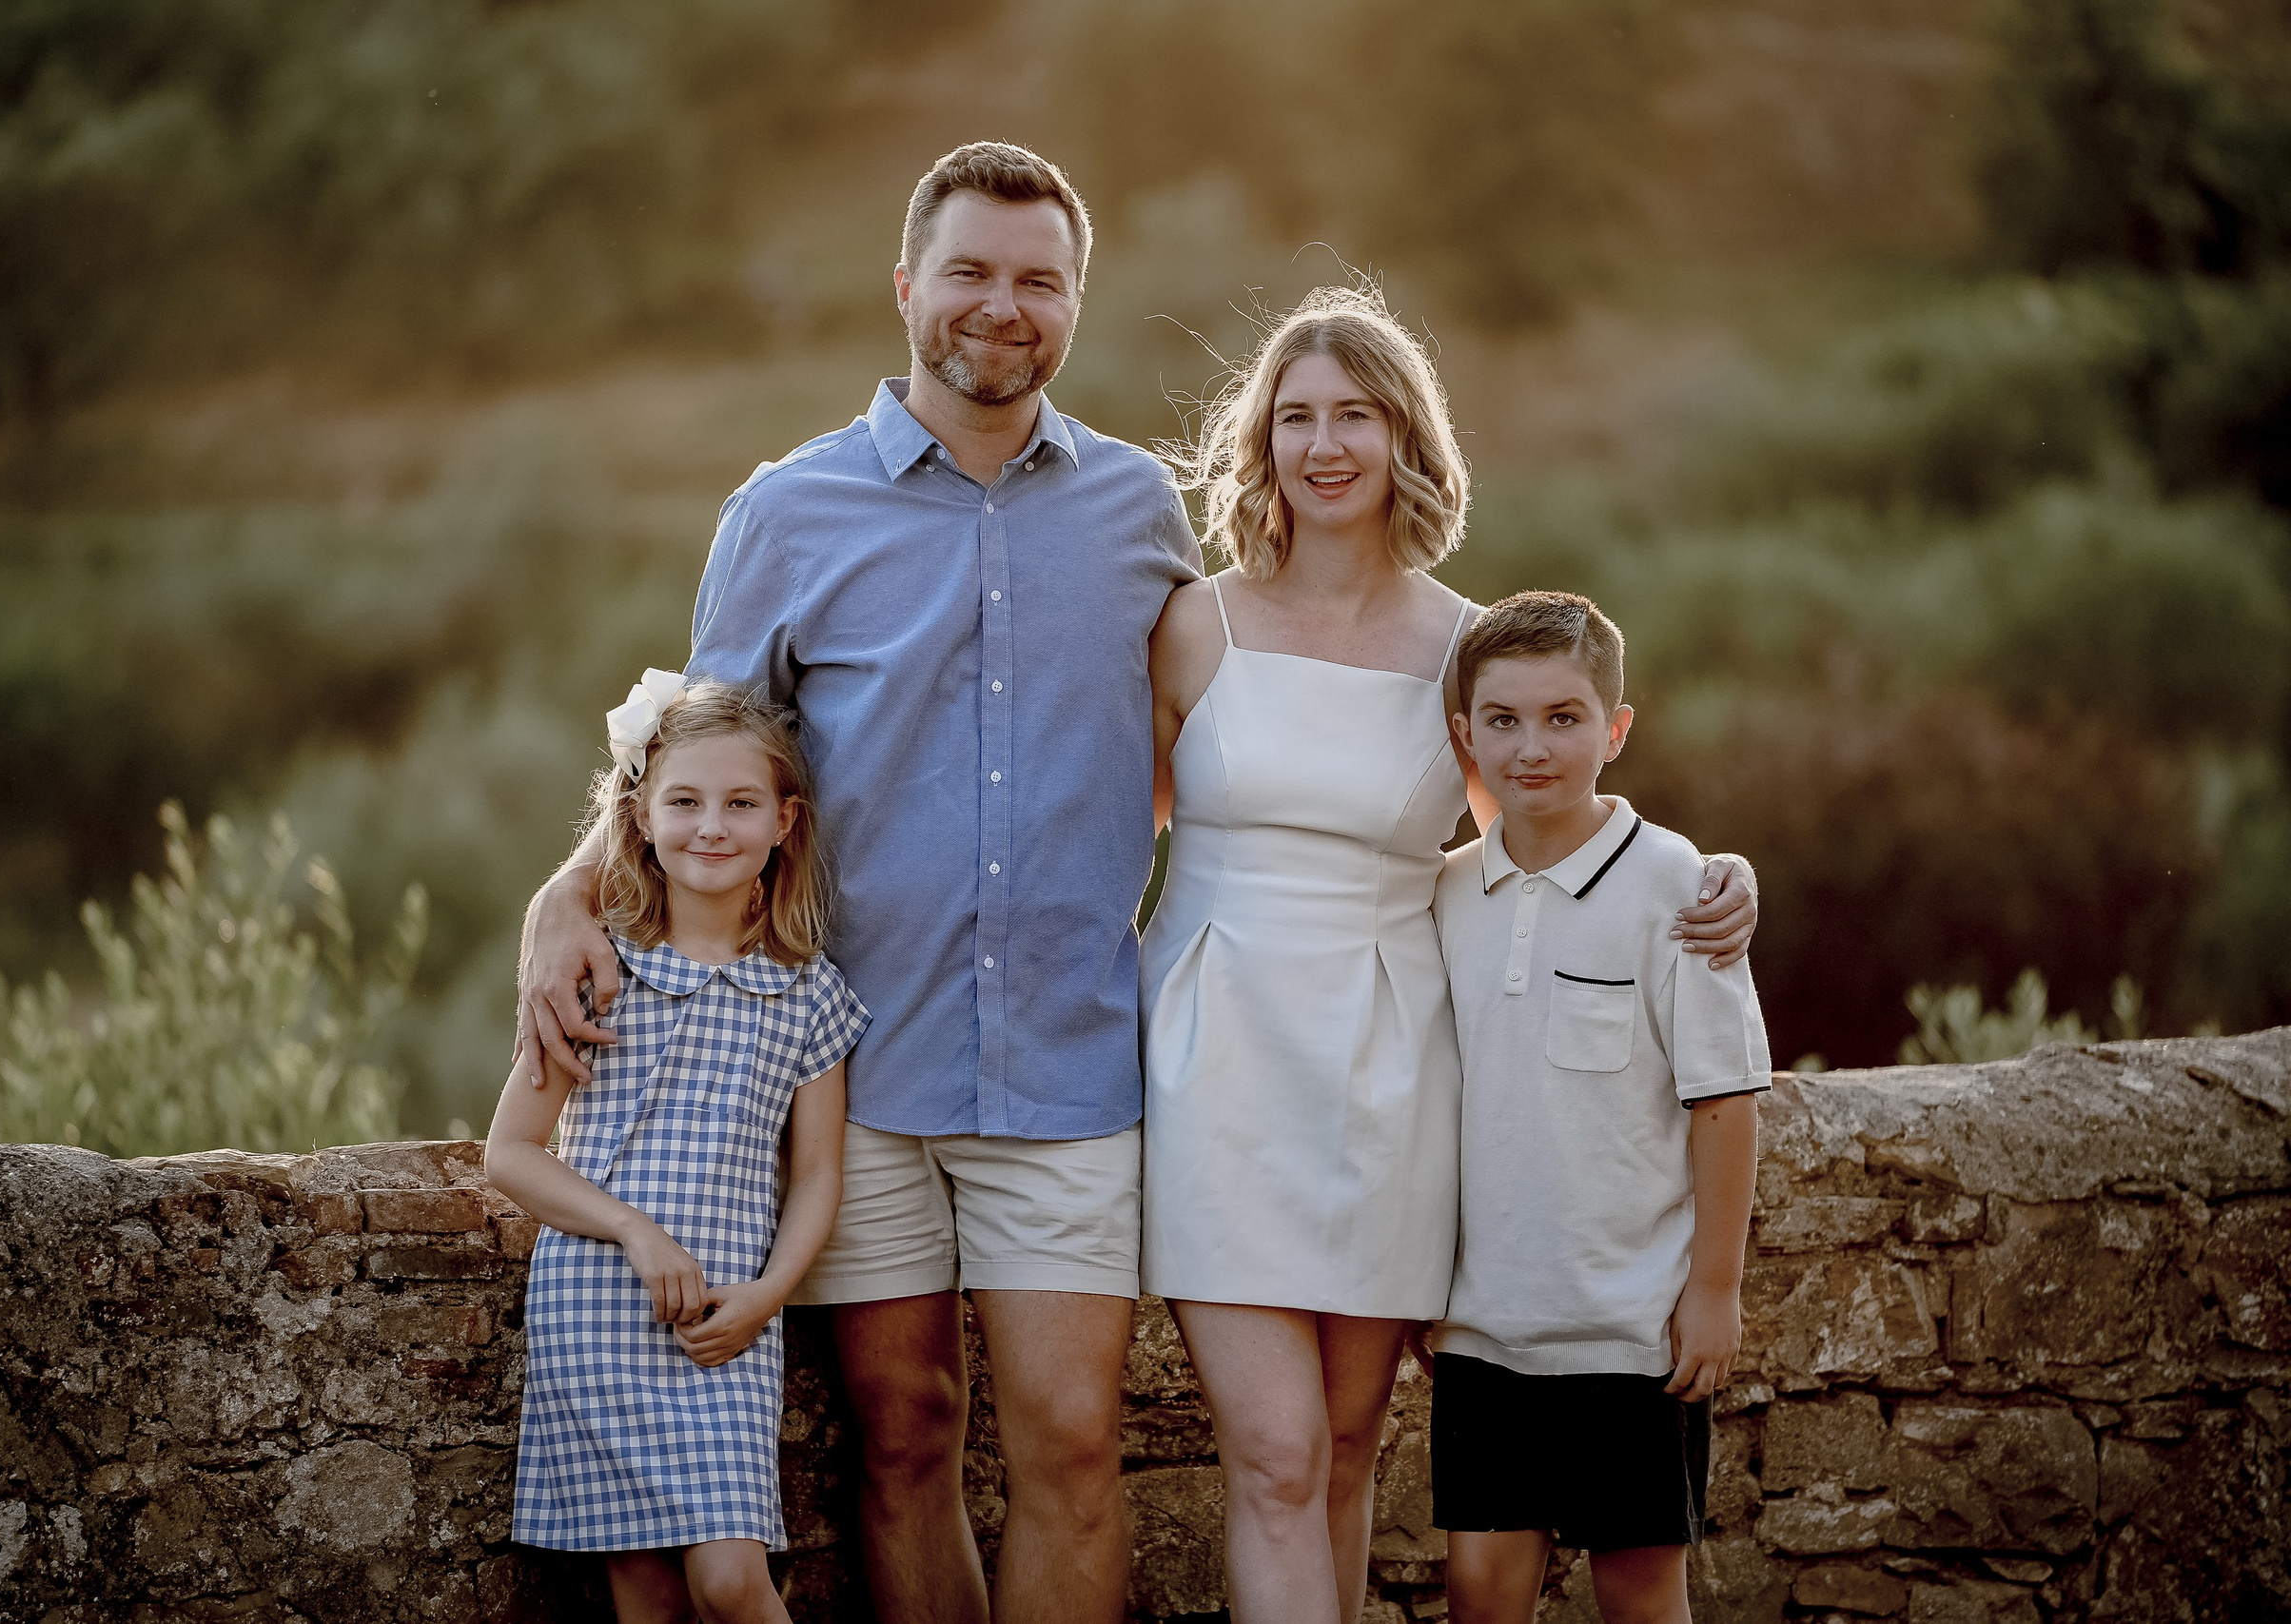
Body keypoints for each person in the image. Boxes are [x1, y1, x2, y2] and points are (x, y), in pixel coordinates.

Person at [515, 144, 1200, 1623]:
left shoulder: (1145, 511)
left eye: (1038, 280)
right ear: (907, 285)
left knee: (1076, 1442)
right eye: (970, 271)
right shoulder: (785, 511)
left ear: (1077, 301)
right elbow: (685, 756)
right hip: (851, 1069)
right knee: (903, 1434)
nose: (1001, 306)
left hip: (1076, 1060)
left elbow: (1237, 754)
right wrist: (566, 886)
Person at [1142, 290, 1759, 1623]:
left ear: (1404, 436)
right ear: (1261, 445)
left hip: (1387, 1061)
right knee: (1277, 1450)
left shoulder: (1458, 649)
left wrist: (1717, 874)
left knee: (1351, 1446)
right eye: (1295, 416)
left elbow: (1539, 834)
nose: (1324, 443)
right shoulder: (1192, 624)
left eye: (1353, 413)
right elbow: (1092, 836)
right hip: (1216, 1049)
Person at [489, 673, 866, 1624]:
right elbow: (513, 1154)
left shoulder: (809, 994)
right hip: (597, 1311)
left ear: (784, 821)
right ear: (640, 816)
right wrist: (634, 1234)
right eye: (684, 802)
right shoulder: (597, 972)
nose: (711, 826)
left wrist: (767, 1298)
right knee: (645, 1596)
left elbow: (819, 1172)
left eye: (741, 804)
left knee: (732, 1581)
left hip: (724, 1323)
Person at [1428, 592, 1769, 1624]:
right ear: (1464, 735)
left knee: (1638, 1594)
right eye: (1502, 720)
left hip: (1632, 1337)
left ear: (1614, 730)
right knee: (1481, 1593)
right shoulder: (1437, 896)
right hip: (1483, 1332)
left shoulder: (1678, 888)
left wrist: (1713, 1290)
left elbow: (1724, 1104)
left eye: (1563, 717)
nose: (1531, 747)